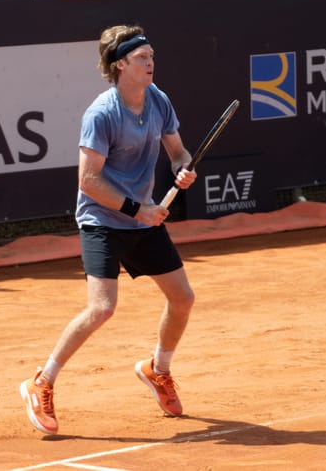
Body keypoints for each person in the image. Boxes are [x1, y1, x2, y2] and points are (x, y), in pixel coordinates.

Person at [19, 25, 198, 435]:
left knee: (183, 298)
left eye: (152, 56)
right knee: (102, 308)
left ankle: (158, 370)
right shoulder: (102, 113)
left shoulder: (158, 99)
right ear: (120, 65)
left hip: (142, 219)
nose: (150, 62)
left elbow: (178, 151)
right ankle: (41, 381)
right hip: (102, 220)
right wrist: (138, 209)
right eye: (142, 57)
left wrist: (182, 168)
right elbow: (88, 181)